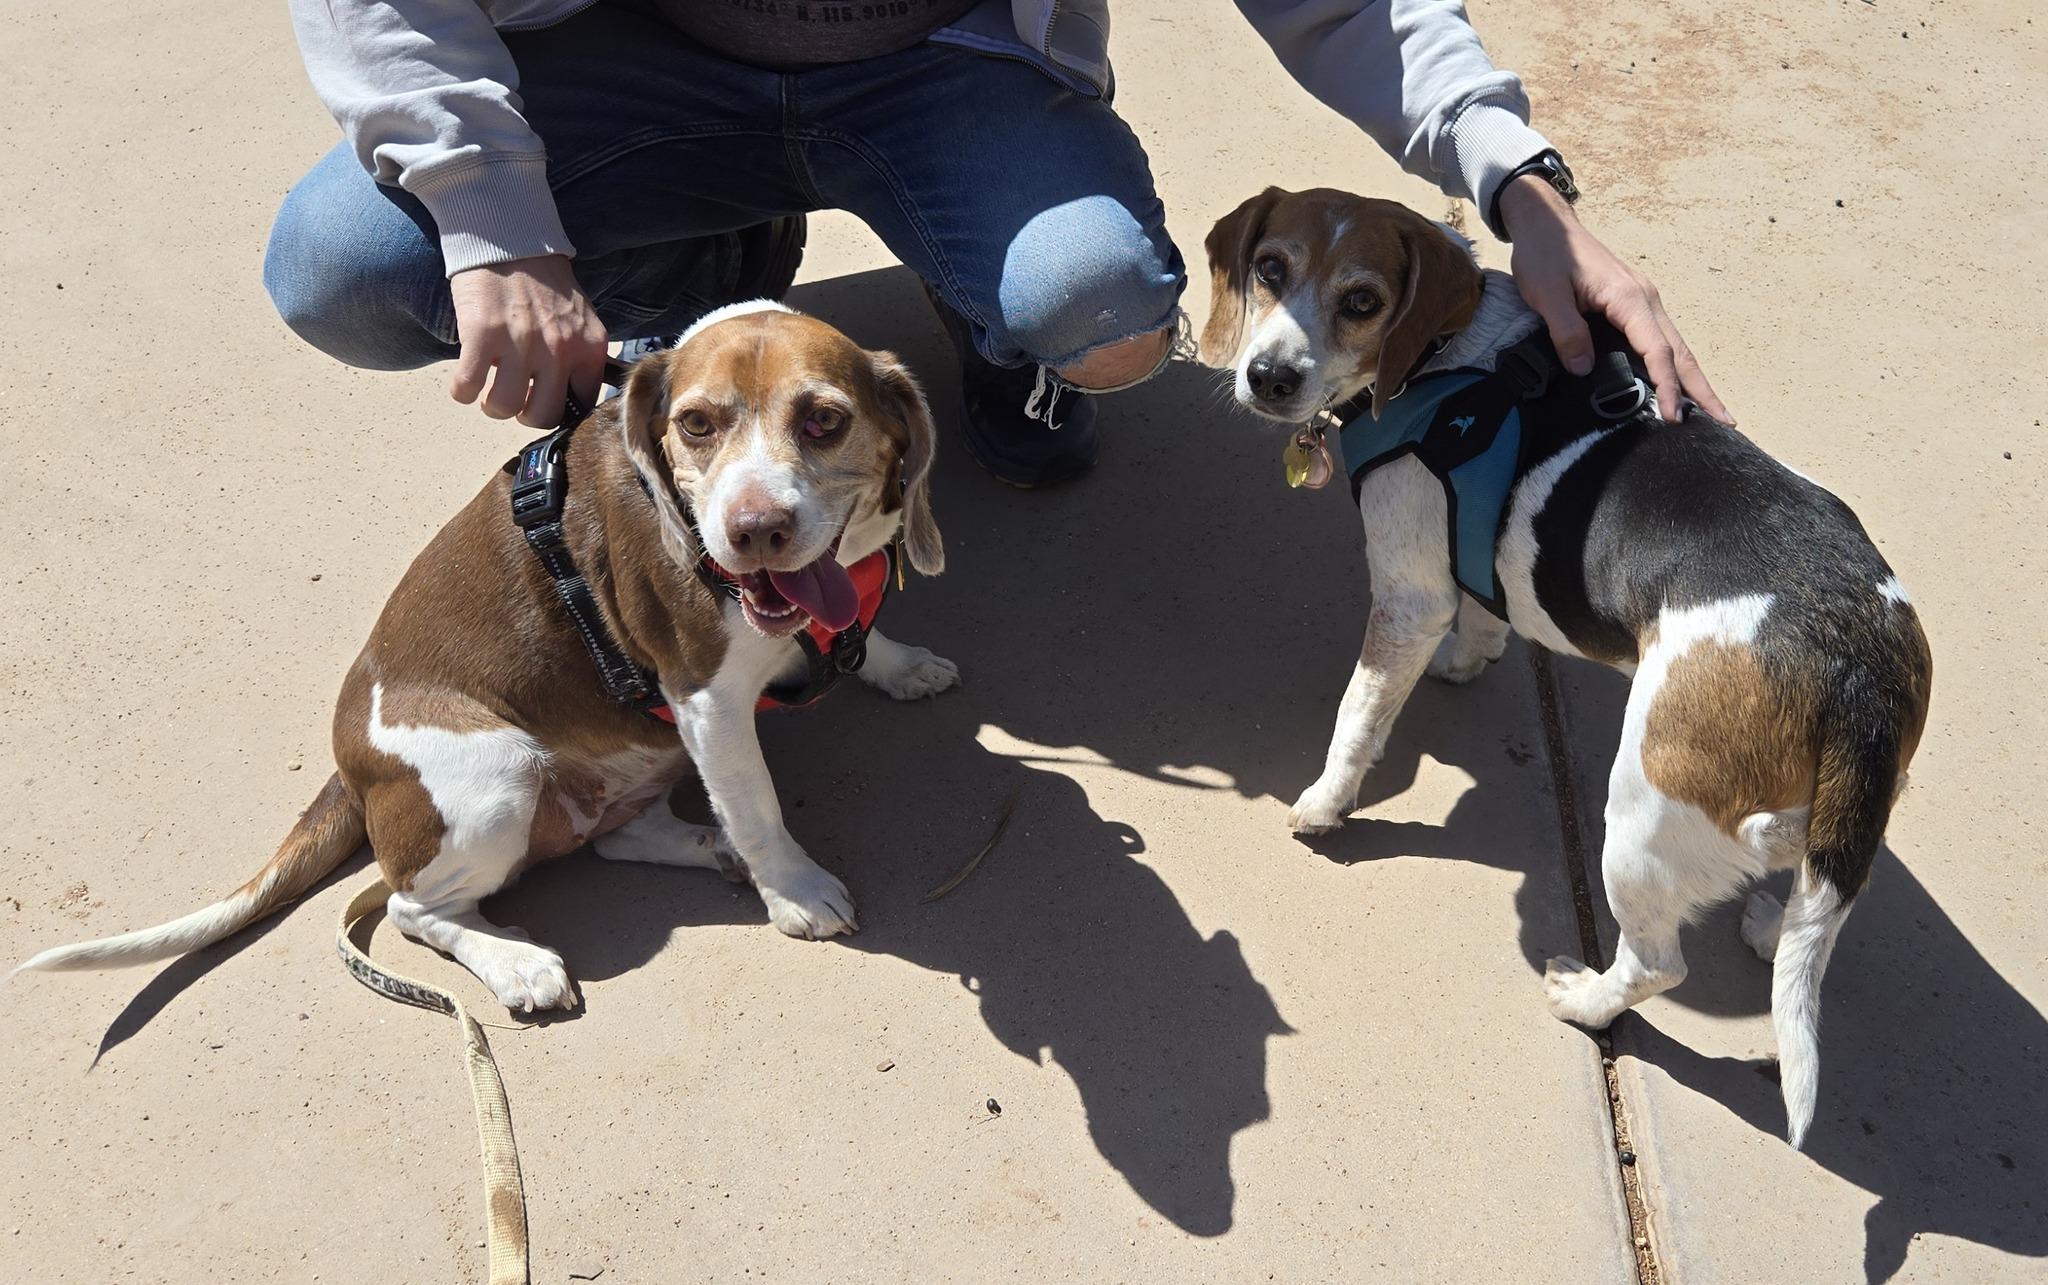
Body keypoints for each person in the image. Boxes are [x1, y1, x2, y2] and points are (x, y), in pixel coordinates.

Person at [265, 0, 1728, 489]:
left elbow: (1345, 3)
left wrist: (1526, 192)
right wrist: (487, 213)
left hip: (940, 67)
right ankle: (698, 266)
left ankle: (989, 331)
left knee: (1098, 308)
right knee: (348, 268)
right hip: (649, 66)